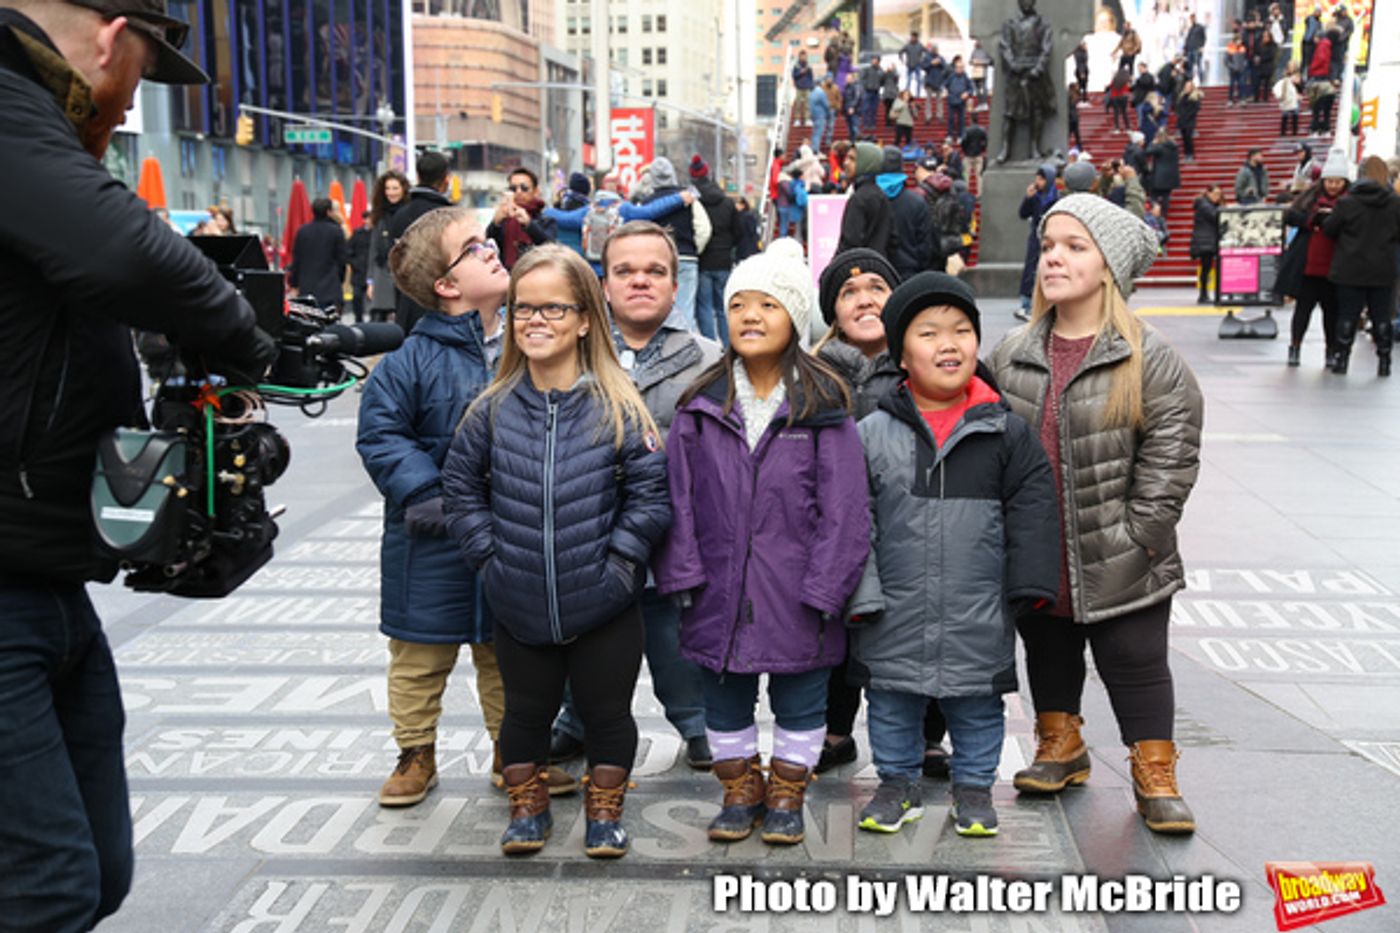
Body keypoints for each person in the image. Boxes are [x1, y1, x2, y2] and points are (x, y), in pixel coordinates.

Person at [0, 1, 279, 927]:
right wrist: (245, 338)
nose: (123, 111)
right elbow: (122, 250)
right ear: (112, 38)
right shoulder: (7, 103)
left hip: (48, 576)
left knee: (100, 870)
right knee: (48, 888)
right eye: (136, 81)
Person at [441, 245, 671, 858]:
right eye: (523, 309)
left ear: (586, 319)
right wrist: (490, 558)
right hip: (517, 601)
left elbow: (651, 497)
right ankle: (527, 810)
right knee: (524, 714)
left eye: (552, 308)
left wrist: (621, 564)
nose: (535, 321)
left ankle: (605, 814)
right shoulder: (489, 410)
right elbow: (460, 490)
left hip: (605, 601)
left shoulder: (620, 406)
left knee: (607, 715)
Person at [989, 194, 1204, 835]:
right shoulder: (1013, 351)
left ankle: (1155, 770)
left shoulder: (1148, 355)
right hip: (1040, 549)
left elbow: (1172, 456)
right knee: (1048, 651)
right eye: (1050, 244)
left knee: (1134, 658)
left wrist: (1139, 536)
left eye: (1074, 246)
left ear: (1108, 266)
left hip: (1122, 550)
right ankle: (1060, 744)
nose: (1054, 256)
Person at [654, 243, 870, 846]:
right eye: (739, 304)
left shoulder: (823, 407)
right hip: (715, 592)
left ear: (796, 320)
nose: (750, 315)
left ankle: (786, 792)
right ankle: (739, 789)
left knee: (803, 699)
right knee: (722, 702)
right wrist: (682, 577)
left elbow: (847, 511)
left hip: (799, 593)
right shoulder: (700, 407)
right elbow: (677, 502)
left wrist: (827, 587)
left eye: (768, 304)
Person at [847, 271, 1058, 837]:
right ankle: (897, 782)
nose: (948, 344)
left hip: (977, 601)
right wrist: (861, 591)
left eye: (962, 330)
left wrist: (1029, 584)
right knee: (891, 699)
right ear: (901, 354)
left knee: (977, 701)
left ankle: (974, 787)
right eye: (929, 333)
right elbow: (851, 518)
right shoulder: (871, 433)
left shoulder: (1005, 430)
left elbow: (1034, 507)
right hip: (894, 601)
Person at [358, 208, 556, 809]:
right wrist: (427, 496)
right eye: (474, 247)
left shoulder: (527, 344)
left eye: (488, 239)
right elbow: (382, 437)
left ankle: (511, 751)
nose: (493, 248)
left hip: (509, 534)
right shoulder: (407, 362)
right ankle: (415, 750)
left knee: (508, 657)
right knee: (419, 656)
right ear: (446, 286)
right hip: (431, 540)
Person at [548, 222, 720, 769]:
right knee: (586, 636)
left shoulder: (711, 359)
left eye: (655, 272)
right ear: (602, 284)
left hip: (676, 534)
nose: (639, 282)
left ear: (676, 285)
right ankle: (575, 719)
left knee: (676, 640)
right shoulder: (569, 351)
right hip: (591, 534)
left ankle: (699, 725)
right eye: (624, 271)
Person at [812, 251, 953, 776]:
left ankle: (925, 734)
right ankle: (835, 728)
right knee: (835, 630)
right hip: (834, 525)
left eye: (876, 286)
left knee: (920, 626)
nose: (865, 298)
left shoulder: (923, 363)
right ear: (833, 311)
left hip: (911, 521)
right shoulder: (815, 372)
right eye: (849, 293)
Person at [1323, 156, 1400, 376]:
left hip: (1350, 268)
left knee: (1347, 314)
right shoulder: (1395, 203)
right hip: (1382, 269)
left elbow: (1330, 229)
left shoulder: (1347, 202)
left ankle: (1342, 359)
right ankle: (1384, 361)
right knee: (1381, 316)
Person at [1280, 151, 1349, 368]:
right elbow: (1290, 216)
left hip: (1335, 266)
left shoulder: (1350, 203)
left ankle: (1331, 350)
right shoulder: (1310, 198)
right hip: (1308, 264)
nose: (1333, 186)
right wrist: (1311, 221)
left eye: (1338, 182)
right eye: (1330, 181)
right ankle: (1295, 346)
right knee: (1303, 310)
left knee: (1332, 312)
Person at [390, 152, 454, 334]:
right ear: (445, 180)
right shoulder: (450, 216)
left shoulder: (401, 215)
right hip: (443, 305)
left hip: (407, 306)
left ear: (418, 177)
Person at [642, 156, 706, 332]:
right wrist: (693, 249)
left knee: (659, 309)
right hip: (686, 257)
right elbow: (703, 229)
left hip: (656, 260)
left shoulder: (647, 203)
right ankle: (688, 352)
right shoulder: (689, 197)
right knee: (685, 310)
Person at [692, 157, 743, 345]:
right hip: (723, 260)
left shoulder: (695, 202)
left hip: (703, 260)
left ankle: (710, 346)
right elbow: (738, 231)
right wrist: (730, 247)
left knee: (704, 306)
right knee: (724, 307)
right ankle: (728, 346)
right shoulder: (727, 203)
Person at [487, 167, 558, 272]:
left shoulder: (546, 220)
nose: (518, 192)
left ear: (536, 191)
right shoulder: (504, 218)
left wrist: (529, 224)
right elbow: (489, 245)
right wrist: (495, 223)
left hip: (535, 275)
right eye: (513, 188)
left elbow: (550, 248)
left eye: (524, 188)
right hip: (506, 277)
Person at [289, 197, 349, 313]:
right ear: (329, 212)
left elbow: (297, 259)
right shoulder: (336, 231)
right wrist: (339, 279)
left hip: (307, 287)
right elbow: (342, 260)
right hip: (330, 286)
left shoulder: (302, 231)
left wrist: (294, 283)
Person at [1017, 163, 1059, 319]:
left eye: (1041, 179)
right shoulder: (1034, 197)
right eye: (1037, 178)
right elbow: (1022, 214)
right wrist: (1027, 198)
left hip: (1052, 239)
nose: (1038, 182)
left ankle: (1047, 304)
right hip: (1036, 238)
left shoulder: (1057, 198)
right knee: (1030, 269)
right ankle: (1026, 304)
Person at [837, 142, 893, 257]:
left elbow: (849, 243)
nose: (845, 163)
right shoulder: (881, 195)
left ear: (866, 163)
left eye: (852, 159)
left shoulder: (859, 199)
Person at [368, 169, 410, 322]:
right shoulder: (380, 214)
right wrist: (370, 280)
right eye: (387, 188)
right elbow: (373, 247)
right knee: (379, 316)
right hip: (381, 272)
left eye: (395, 188)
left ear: (403, 189)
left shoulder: (408, 212)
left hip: (403, 271)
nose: (391, 193)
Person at [1189, 185, 1223, 304]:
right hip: (1205, 241)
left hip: (1208, 240)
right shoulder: (1204, 205)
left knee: (1207, 268)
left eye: (1219, 194)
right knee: (1206, 268)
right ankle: (1203, 295)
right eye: (1215, 194)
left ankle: (1204, 294)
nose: (1218, 197)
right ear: (1208, 193)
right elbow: (1215, 216)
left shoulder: (1208, 204)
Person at [1145, 128, 1180, 218]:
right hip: (1171, 175)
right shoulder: (1174, 146)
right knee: (1166, 195)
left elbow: (1148, 151)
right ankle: (1164, 213)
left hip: (1159, 176)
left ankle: (1157, 213)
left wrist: (1152, 143)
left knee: (1153, 195)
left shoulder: (1160, 147)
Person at [347, 212, 372, 323]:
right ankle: (358, 318)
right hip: (358, 272)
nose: (368, 221)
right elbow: (348, 251)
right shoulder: (357, 233)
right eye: (366, 219)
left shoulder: (376, 233)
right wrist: (354, 263)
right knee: (357, 297)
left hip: (371, 270)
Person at [944, 56, 974, 142]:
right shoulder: (951, 76)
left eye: (961, 67)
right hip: (951, 100)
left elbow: (971, 89)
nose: (959, 69)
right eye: (957, 67)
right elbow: (945, 85)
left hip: (961, 101)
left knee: (961, 120)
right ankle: (949, 135)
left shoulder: (966, 77)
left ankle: (960, 136)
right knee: (951, 119)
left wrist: (967, 93)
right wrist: (945, 91)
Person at [1273, 61, 1302, 136]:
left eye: (1293, 66)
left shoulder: (1298, 76)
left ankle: (1294, 132)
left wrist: (1297, 83)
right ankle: (1283, 132)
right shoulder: (1285, 75)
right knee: (1285, 113)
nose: (1291, 67)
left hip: (1295, 96)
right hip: (1286, 96)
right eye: (1290, 66)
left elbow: (1300, 88)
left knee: (1295, 113)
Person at [1176, 80, 1201, 160]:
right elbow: (1178, 107)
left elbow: (1195, 109)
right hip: (1182, 120)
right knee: (1184, 138)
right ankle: (1186, 154)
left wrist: (1187, 115)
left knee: (1188, 137)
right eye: (1185, 86)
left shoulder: (1194, 97)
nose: (1186, 88)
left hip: (1189, 121)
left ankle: (1190, 154)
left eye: (1188, 86)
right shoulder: (1182, 96)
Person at [810, 74, 834, 150]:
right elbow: (826, 105)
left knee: (815, 133)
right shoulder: (821, 93)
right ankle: (816, 150)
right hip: (820, 116)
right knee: (818, 134)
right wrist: (829, 113)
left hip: (814, 116)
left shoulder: (812, 93)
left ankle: (814, 148)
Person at [1225, 33, 1248, 106]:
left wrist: (1244, 65)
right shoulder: (1230, 48)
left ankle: (1242, 100)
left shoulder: (1242, 48)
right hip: (1233, 71)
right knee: (1232, 85)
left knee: (1242, 85)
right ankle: (1230, 100)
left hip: (1241, 70)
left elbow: (1245, 58)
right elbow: (1226, 61)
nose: (1240, 41)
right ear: (1235, 41)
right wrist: (1232, 67)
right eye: (1238, 40)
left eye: (1240, 40)